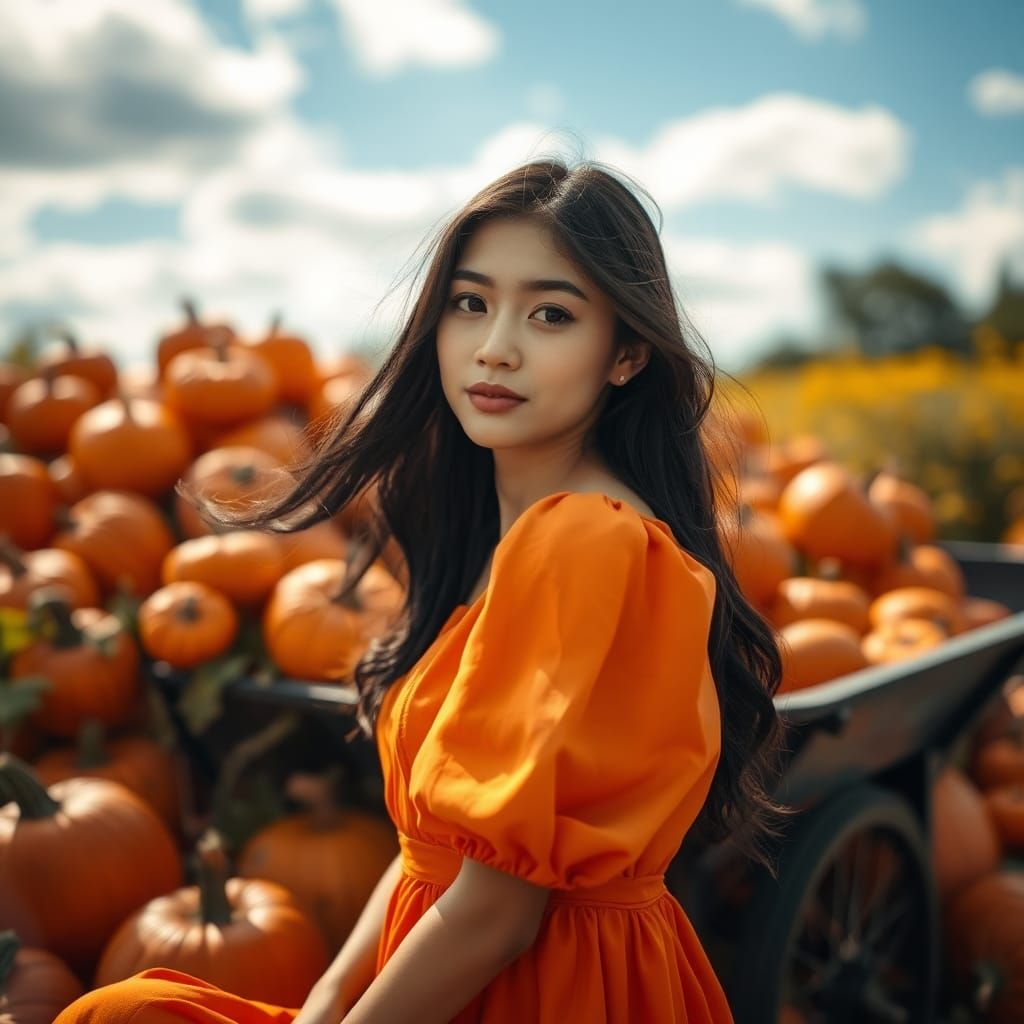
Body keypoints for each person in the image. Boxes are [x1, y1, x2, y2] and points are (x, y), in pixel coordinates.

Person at [56, 155, 789, 1023]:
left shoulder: (583, 540)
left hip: (540, 994)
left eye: (551, 314)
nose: (495, 345)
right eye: (470, 303)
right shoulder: (506, 536)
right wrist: (325, 1005)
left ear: (626, 353)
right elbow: (429, 855)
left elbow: (496, 914)